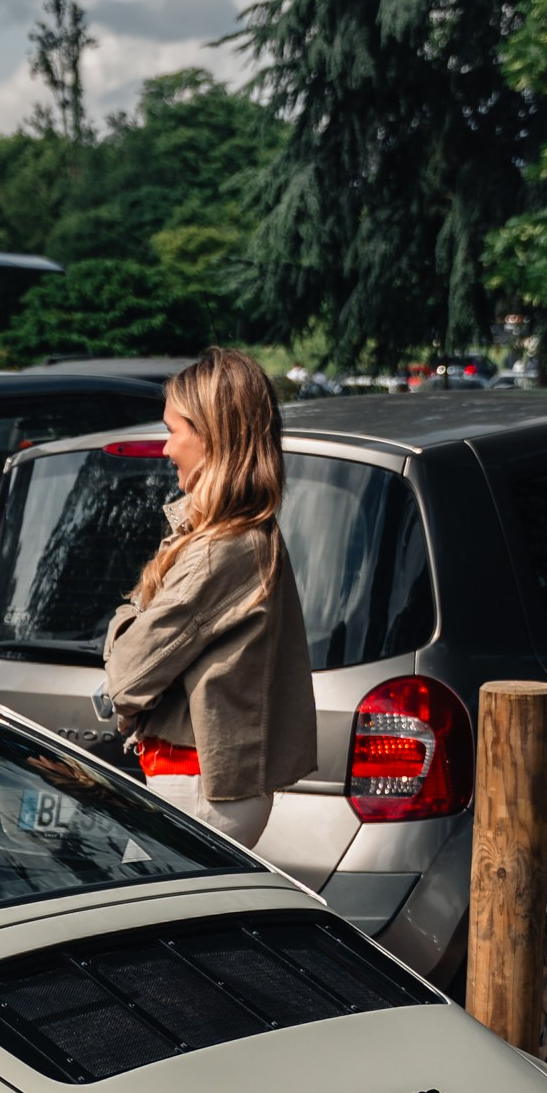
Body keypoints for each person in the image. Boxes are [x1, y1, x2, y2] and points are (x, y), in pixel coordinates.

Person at [96, 346, 316, 849]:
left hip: (197, 789)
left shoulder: (222, 548)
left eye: (174, 431)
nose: (167, 448)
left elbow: (127, 675)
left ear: (213, 436)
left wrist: (126, 620)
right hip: (198, 787)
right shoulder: (237, 535)